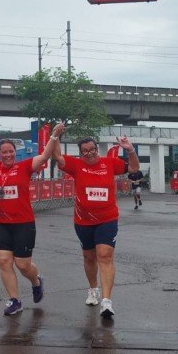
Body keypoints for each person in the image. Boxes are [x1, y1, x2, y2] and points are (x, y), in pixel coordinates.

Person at [0, 111, 64, 316]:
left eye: (11, 151)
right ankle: (14, 300)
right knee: (3, 261)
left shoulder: (25, 167)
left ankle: (37, 281)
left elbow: (45, 155)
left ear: (15, 152)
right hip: (2, 224)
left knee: (23, 264)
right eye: (4, 152)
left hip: (23, 224)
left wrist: (54, 135)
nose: (8, 155)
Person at [52, 135, 140, 319]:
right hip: (83, 221)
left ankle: (107, 302)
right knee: (89, 256)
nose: (89, 153)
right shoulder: (76, 165)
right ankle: (93, 290)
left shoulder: (110, 163)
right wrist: (55, 136)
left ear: (96, 148)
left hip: (107, 219)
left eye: (92, 149)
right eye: (85, 151)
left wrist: (130, 149)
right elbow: (58, 157)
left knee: (105, 256)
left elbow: (133, 168)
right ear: (81, 153)